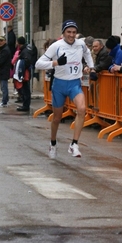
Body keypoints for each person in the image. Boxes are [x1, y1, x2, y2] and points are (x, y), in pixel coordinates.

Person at [35, 19, 94, 159]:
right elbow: (38, 64)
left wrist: (91, 67)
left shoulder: (81, 44)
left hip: (74, 83)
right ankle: (53, 143)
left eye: (74, 32)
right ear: (63, 33)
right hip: (59, 85)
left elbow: (88, 54)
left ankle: (74, 144)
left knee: (82, 109)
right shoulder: (56, 46)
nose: (72, 35)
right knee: (56, 118)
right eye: (69, 32)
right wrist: (55, 63)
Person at [0, 36, 12, 107]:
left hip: (4, 71)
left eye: (1, 41)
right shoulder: (3, 49)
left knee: (4, 87)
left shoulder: (5, 50)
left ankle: (4, 101)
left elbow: (1, 61)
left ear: (5, 41)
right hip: (2, 71)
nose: (0, 42)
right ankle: (5, 100)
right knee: (3, 87)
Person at [15, 36, 31, 112]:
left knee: (25, 90)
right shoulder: (24, 50)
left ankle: (26, 106)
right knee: (25, 89)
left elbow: (27, 61)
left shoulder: (25, 51)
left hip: (24, 73)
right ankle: (25, 105)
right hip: (24, 72)